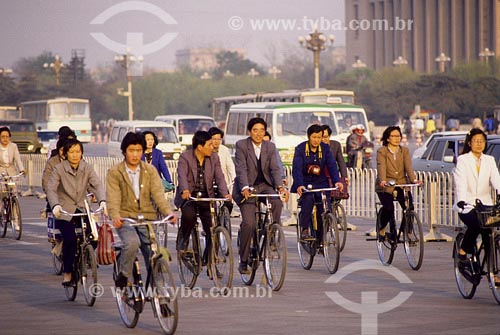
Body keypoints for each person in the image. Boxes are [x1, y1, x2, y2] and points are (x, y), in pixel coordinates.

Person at [107, 132, 177, 288]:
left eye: (139, 150)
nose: (135, 154)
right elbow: (113, 198)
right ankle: (124, 276)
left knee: (154, 253)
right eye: (131, 150)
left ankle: (160, 295)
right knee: (132, 243)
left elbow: (158, 195)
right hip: (126, 219)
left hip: (147, 218)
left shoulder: (150, 170)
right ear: (124, 151)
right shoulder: (115, 172)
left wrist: (168, 212)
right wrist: (115, 215)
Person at [46, 138, 106, 286]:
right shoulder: (58, 169)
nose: (75, 155)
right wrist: (55, 206)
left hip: (82, 208)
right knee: (70, 239)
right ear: (65, 154)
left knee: (94, 236)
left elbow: (97, 184)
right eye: (71, 152)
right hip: (64, 211)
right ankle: (67, 272)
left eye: (78, 152)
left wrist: (102, 201)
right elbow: (51, 189)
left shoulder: (87, 168)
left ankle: (86, 257)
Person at [233, 117, 289, 275]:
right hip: (247, 187)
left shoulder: (270, 146)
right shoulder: (241, 145)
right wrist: (244, 186)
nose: (258, 134)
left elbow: (275, 169)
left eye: (262, 130)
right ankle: (243, 261)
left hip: (265, 186)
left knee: (277, 202)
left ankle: (272, 232)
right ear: (249, 132)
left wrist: (280, 186)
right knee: (249, 224)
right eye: (255, 130)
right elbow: (241, 169)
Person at [175, 131, 232, 270]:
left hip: (207, 195)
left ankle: (209, 257)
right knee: (189, 215)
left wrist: (225, 194)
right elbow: (181, 175)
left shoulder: (214, 158)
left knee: (212, 226)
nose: (213, 147)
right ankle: (184, 238)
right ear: (200, 147)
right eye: (209, 144)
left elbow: (220, 177)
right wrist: (185, 190)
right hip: (190, 196)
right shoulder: (185, 157)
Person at [453, 128, 500, 266]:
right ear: (469, 143)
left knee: (489, 236)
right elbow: (460, 181)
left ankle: (493, 271)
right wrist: (461, 200)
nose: (479, 144)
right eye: (476, 141)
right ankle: (463, 251)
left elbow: (496, 180)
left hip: (485, 205)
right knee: (475, 225)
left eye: (482, 141)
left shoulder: (489, 160)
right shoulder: (463, 160)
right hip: (467, 205)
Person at [291, 124, 344, 239]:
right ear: (309, 137)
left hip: (321, 182)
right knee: (308, 200)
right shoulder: (300, 148)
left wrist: (337, 181)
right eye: (314, 137)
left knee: (324, 207)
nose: (316, 140)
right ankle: (304, 228)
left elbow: (332, 166)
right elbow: (297, 169)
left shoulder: (325, 148)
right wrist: (299, 184)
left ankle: (321, 238)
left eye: (319, 137)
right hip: (305, 182)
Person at [375, 126, 422, 241]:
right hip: (386, 185)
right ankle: (382, 228)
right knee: (389, 208)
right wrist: (382, 180)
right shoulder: (382, 151)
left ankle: (408, 232)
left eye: (398, 136)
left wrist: (414, 180)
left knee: (409, 207)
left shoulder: (404, 151)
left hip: (401, 183)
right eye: (393, 136)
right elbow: (382, 167)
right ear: (387, 138)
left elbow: (408, 167)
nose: (397, 138)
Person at [208, 127, 236, 193]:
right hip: (209, 184)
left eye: (219, 139)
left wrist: (234, 179)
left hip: (223, 183)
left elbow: (230, 166)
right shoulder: (206, 150)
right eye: (214, 139)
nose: (216, 141)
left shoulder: (225, 150)